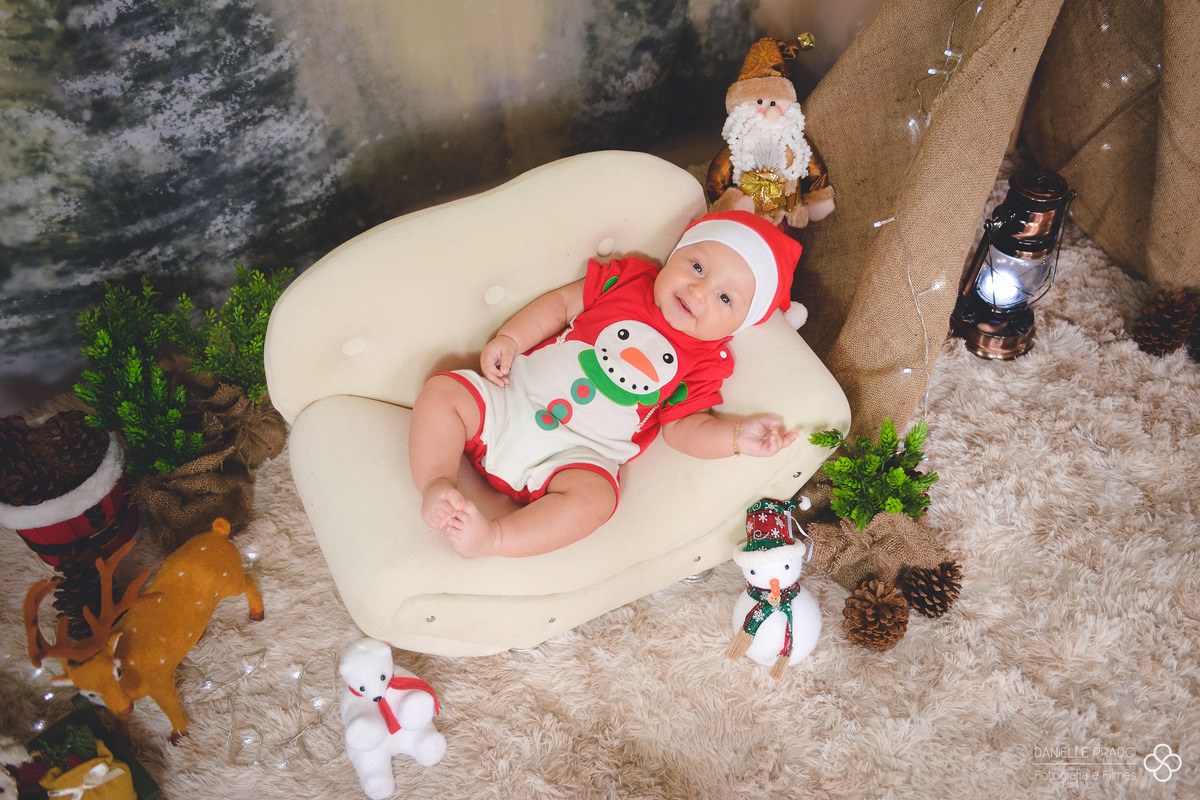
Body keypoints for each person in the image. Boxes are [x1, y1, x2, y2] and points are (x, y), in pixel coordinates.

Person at [409, 209, 803, 558]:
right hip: (507, 400)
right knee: (444, 391)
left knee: (596, 500)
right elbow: (561, 305)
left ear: (739, 325)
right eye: (697, 267)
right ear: (677, 252)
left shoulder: (706, 361)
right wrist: (510, 339)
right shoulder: (629, 279)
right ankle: (437, 483)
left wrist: (735, 438)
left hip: (574, 457)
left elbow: (683, 427)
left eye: (725, 298)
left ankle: (494, 538)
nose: (698, 292)